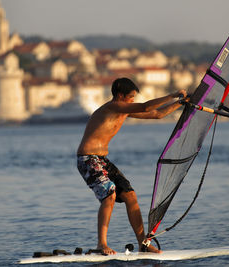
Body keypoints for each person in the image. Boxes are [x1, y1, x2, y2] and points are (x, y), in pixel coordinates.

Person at [77, 77, 187, 255]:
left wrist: (180, 103)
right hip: (87, 160)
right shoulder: (112, 107)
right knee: (109, 196)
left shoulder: (124, 111)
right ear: (120, 95)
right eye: (130, 97)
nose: (132, 100)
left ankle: (143, 243)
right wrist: (172, 95)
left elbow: (157, 114)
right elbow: (145, 107)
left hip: (102, 160)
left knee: (130, 196)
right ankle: (101, 244)